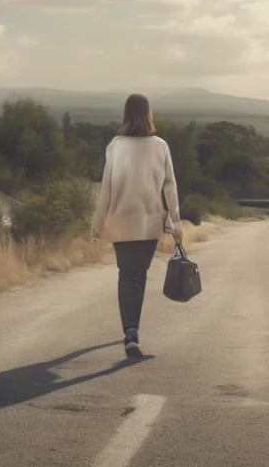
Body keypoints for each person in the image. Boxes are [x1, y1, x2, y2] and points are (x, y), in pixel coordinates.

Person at [91, 93, 184, 358]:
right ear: (148, 114)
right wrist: (175, 222)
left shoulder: (115, 145)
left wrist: (97, 224)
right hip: (150, 219)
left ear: (126, 115)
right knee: (139, 275)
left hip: (121, 220)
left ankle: (130, 330)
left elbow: (106, 188)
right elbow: (170, 188)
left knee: (127, 275)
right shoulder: (161, 146)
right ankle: (133, 330)